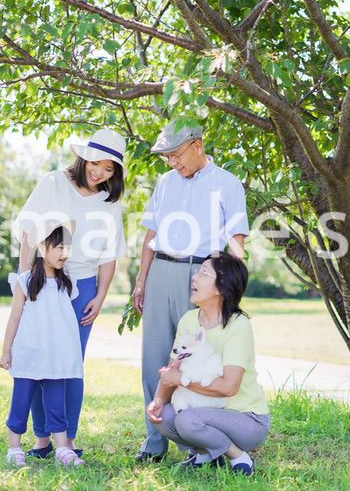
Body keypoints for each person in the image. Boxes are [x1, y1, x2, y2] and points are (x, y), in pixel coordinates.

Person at [133, 120, 249, 462]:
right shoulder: (164, 183)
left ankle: (195, 446)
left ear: (197, 145)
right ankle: (154, 441)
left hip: (203, 275)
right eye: (166, 157)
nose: (172, 162)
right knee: (154, 360)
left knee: (193, 361)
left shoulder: (227, 184)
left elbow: (236, 240)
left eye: (175, 154)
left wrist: (230, 286)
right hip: (161, 272)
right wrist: (141, 280)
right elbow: (150, 236)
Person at [13, 128, 127, 459]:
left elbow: (109, 255)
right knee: (38, 360)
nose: (100, 173)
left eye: (109, 169)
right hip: (43, 282)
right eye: (97, 164)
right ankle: (42, 439)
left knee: (70, 364)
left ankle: (69, 440)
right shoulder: (53, 183)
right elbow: (28, 231)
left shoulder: (109, 204)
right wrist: (24, 281)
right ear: (84, 157)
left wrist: (101, 295)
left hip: (83, 286)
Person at [146, 252, 269, 475]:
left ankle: (239, 456)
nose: (194, 277)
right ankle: (205, 455)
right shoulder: (189, 320)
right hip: (205, 412)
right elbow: (172, 369)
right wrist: (157, 400)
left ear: (221, 287)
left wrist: (183, 380)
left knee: (187, 420)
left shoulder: (237, 325)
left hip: (246, 419)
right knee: (162, 416)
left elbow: (229, 387)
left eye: (203, 272)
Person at [0, 220, 85, 467]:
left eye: (67, 247)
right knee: (21, 400)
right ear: (42, 247)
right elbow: (14, 317)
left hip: (56, 356)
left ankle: (62, 449)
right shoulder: (24, 281)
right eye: (58, 247)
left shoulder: (67, 281)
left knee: (56, 403)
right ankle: (14, 448)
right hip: (29, 353)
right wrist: (6, 350)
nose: (64, 253)